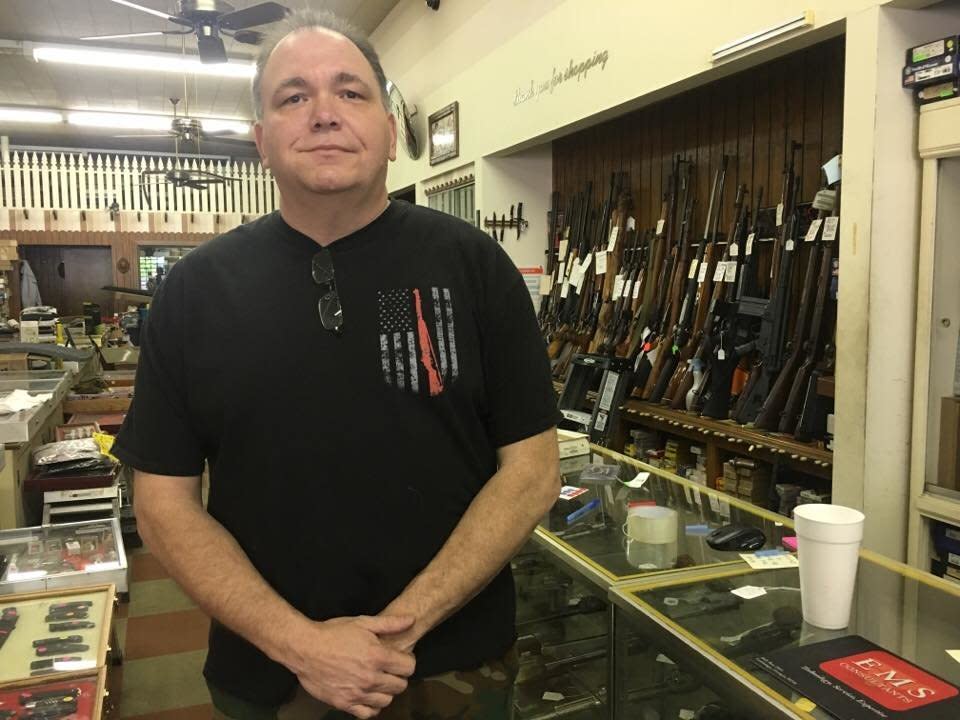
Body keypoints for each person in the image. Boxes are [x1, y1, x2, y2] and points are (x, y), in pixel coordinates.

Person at [113, 9, 561, 720]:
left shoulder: (475, 267)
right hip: (268, 676)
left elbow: (533, 470)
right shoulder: (196, 292)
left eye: (350, 93)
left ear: (389, 130)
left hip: (454, 670)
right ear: (261, 140)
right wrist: (300, 644)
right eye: (294, 97)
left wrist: (401, 628)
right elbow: (163, 505)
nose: (324, 114)